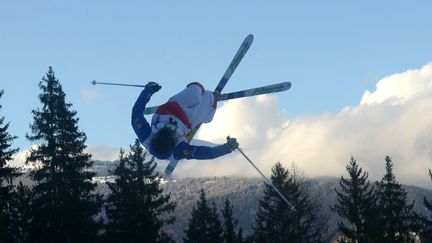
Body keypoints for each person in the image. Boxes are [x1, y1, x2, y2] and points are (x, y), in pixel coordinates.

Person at [131, 81, 239, 161]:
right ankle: (211, 102)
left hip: (173, 107)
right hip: (187, 121)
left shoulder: (146, 136)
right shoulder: (178, 151)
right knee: (208, 103)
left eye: (165, 130)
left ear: (155, 136)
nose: (170, 128)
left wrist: (148, 91)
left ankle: (203, 94)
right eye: (171, 133)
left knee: (196, 91)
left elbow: (136, 113)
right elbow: (206, 153)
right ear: (174, 143)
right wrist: (226, 148)